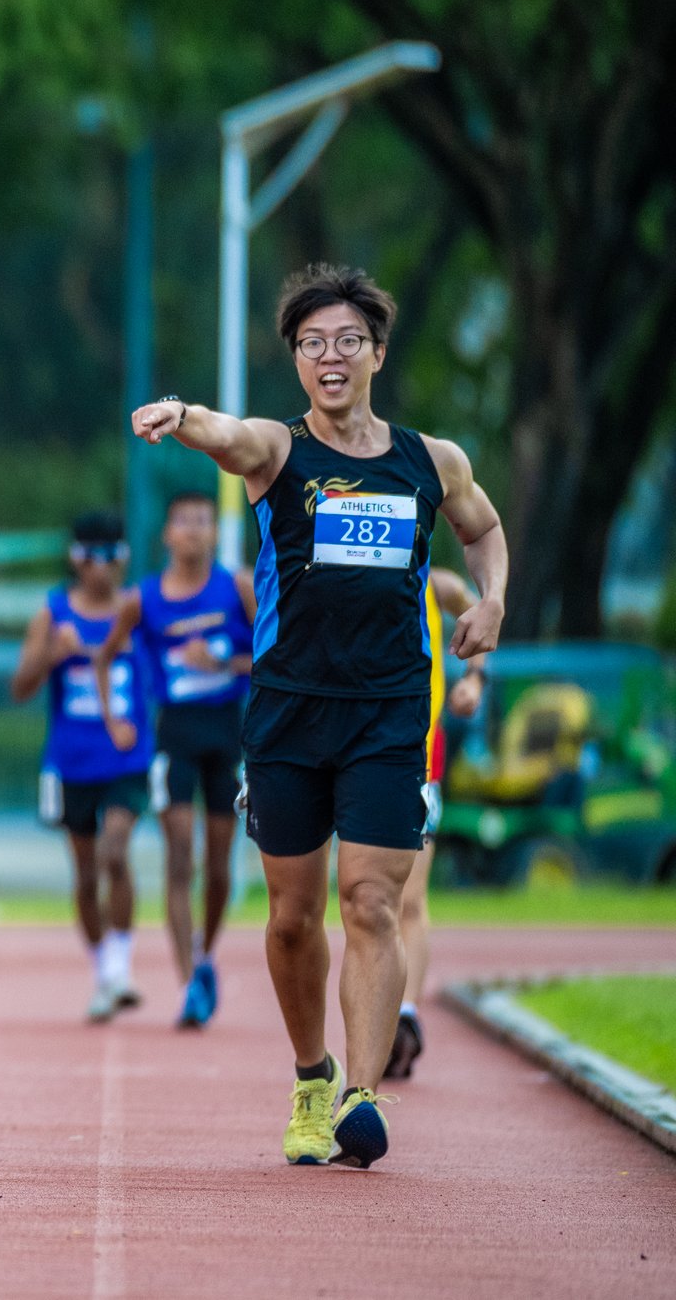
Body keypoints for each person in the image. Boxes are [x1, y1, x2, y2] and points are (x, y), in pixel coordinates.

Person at [129, 262, 506, 1169]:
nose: (329, 357)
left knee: (371, 901)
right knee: (295, 917)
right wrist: (185, 419)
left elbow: (483, 528)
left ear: (376, 352)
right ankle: (311, 1074)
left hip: (388, 715)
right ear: (297, 360)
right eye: (311, 344)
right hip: (290, 715)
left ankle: (362, 1095)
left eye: (346, 341)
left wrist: (492, 600)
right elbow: (232, 435)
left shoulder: (432, 460)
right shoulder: (280, 451)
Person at [90, 492, 256, 1029]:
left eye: (203, 521)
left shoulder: (238, 587)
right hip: (175, 736)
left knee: (220, 862)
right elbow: (106, 653)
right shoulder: (143, 599)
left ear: (213, 533)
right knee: (179, 856)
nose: (193, 530)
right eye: (182, 521)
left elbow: (276, 655)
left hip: (227, 735)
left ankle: (207, 952)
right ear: (167, 534)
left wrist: (227, 661)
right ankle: (190, 982)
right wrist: (114, 715)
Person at [12, 512, 158, 1022]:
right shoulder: (52, 613)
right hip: (71, 762)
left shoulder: (137, 610)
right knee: (85, 871)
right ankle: (104, 971)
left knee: (115, 852)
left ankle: (120, 967)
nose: (104, 568)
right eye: (93, 556)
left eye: (114, 555)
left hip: (126, 756)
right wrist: (53, 653)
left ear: (126, 558)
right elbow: (20, 687)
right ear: (76, 558)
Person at [385, 570, 488, 1078]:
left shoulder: (438, 585)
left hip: (422, 757)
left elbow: (480, 610)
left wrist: (474, 678)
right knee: (369, 898)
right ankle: (377, 1007)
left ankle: (405, 1014)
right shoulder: (346, 565)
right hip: (355, 754)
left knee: (410, 897)